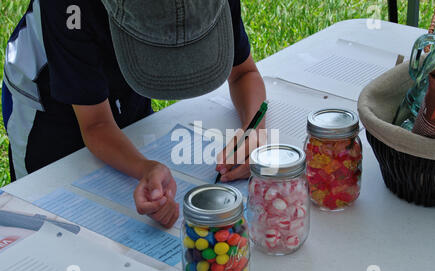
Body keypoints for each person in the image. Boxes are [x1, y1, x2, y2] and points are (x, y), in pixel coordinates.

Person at [1, 0, 266, 228]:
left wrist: (254, 132)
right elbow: (95, 124)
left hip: (124, 89)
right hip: (49, 104)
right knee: (46, 220)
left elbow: (244, 72)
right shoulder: (69, 8)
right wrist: (143, 167)